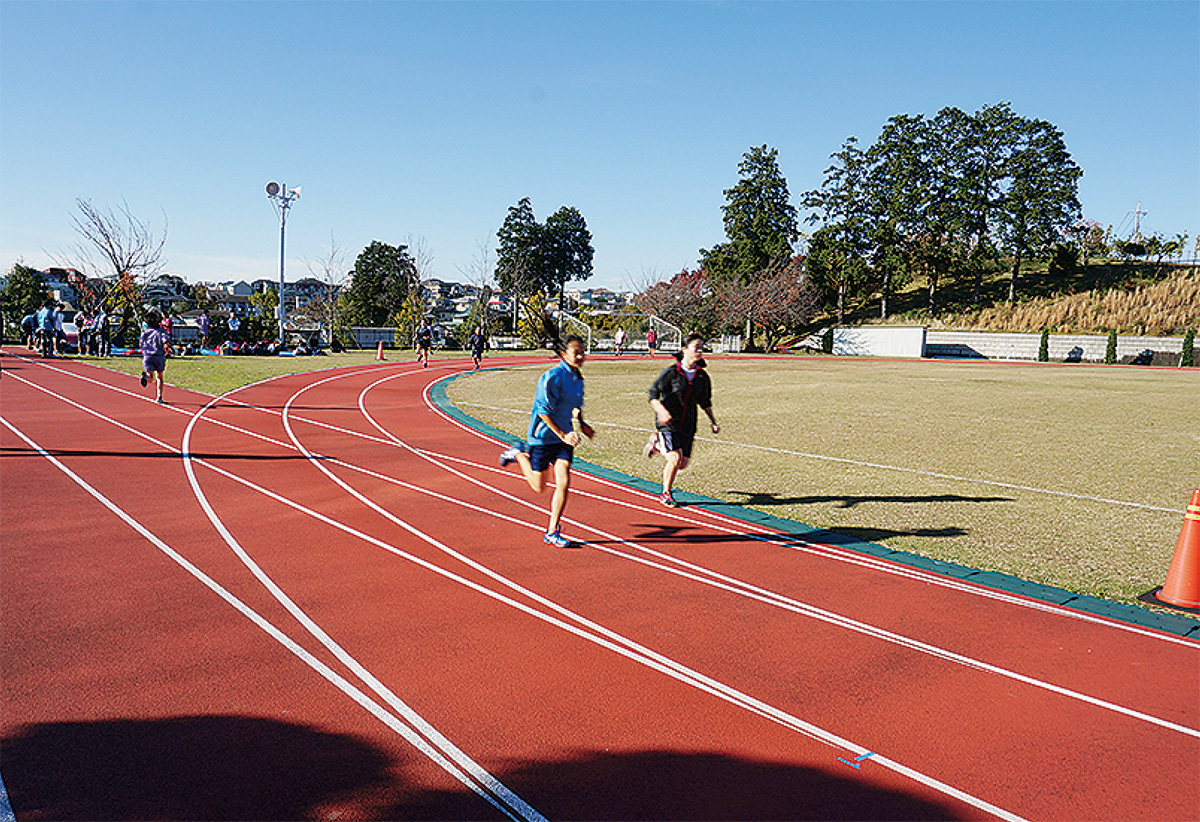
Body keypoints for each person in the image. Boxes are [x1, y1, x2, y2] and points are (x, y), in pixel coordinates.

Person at [499, 334, 595, 548]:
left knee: (564, 481)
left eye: (583, 351)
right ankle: (517, 454)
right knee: (538, 487)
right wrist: (562, 434)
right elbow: (542, 411)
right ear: (563, 354)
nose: (581, 356)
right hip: (542, 438)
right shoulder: (551, 377)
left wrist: (582, 424)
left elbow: (576, 406)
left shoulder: (578, 378)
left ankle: (552, 530)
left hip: (563, 440)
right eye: (576, 352)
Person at [642, 332, 720, 507]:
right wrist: (661, 411)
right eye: (696, 347)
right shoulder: (672, 373)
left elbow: (705, 401)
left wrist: (713, 421)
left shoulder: (702, 376)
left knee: (682, 464)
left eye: (701, 347)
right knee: (675, 458)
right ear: (684, 349)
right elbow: (653, 394)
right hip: (668, 423)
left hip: (688, 423)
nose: (700, 350)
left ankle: (657, 444)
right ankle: (666, 493)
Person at [138, 309, 169, 404]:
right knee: (159, 376)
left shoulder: (145, 332)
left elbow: (141, 343)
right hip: (158, 355)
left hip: (147, 355)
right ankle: (159, 397)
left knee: (150, 377)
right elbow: (166, 342)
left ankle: (146, 376)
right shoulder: (161, 331)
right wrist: (167, 350)